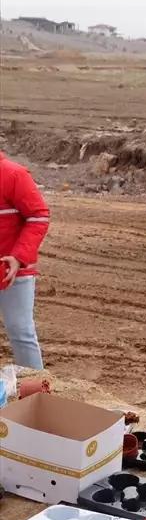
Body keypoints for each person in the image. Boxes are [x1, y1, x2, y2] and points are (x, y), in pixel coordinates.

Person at [0, 152, 50, 370]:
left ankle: (36, 393)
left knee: (21, 332)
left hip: (13, 272)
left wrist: (19, 257)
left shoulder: (13, 174)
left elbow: (38, 216)